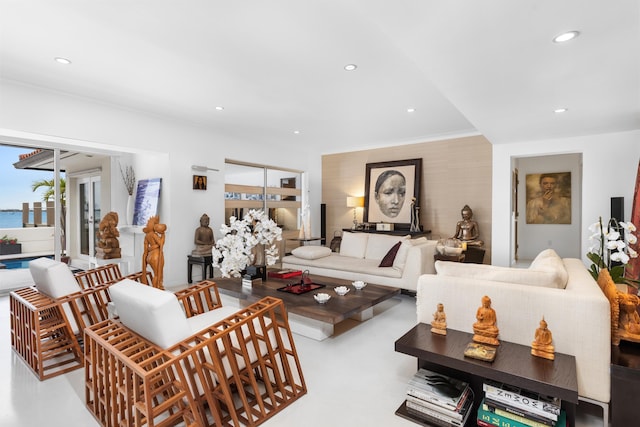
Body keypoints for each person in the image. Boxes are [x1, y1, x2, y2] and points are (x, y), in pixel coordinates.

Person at [141, 215, 166, 289]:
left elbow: (145, 250)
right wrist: (163, 235)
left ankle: (155, 288)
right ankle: (156, 288)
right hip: (156, 254)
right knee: (157, 274)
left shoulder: (147, 236)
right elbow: (161, 243)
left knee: (156, 274)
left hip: (150, 256)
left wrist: (145, 259)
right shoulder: (153, 234)